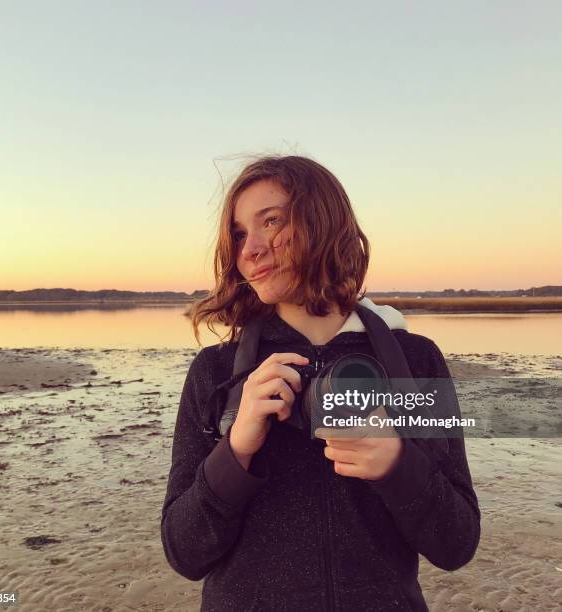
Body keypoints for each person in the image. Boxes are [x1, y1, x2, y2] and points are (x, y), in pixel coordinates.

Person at [160, 155, 480, 611]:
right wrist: (235, 452)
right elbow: (184, 553)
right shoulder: (217, 372)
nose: (249, 250)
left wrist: (397, 463)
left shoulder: (413, 360)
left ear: (325, 222)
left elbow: (457, 544)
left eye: (271, 222)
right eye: (238, 234)